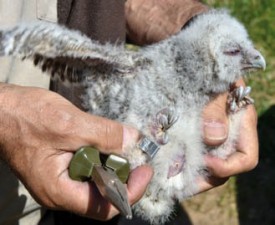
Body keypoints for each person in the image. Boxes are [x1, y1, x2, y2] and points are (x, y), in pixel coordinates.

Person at [0, 0, 258, 225]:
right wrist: (7, 115)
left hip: (85, 190)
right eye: (234, 51)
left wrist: (194, 29)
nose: (257, 57)